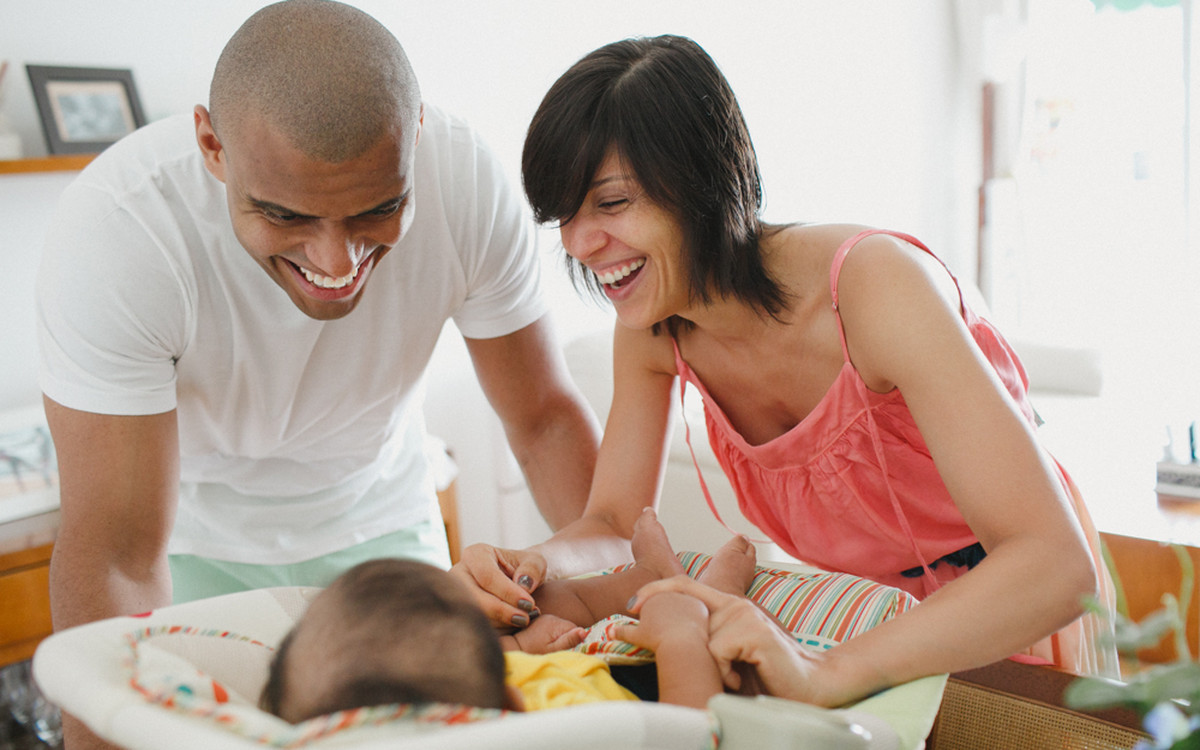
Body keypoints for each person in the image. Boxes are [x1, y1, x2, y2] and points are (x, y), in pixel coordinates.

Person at [451, 34, 1119, 708]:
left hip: (1001, 604)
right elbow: (615, 523)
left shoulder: (874, 289)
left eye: (612, 203)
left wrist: (827, 673)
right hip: (859, 623)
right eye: (565, 215)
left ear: (702, 182)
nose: (577, 242)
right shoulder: (654, 330)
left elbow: (1052, 563)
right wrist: (532, 567)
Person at [36, 2, 599, 747]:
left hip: (383, 519)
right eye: (286, 216)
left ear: (417, 137)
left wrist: (618, 597)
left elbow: (544, 420)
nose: (336, 265)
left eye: (378, 210)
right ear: (212, 146)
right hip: (191, 542)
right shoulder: (122, 232)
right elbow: (115, 552)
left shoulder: (465, 183)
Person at [261, 509, 760, 722]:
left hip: (539, 658)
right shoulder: (575, 734)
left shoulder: (434, 694)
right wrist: (680, 638)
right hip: (642, 687)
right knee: (732, 668)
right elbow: (692, 729)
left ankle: (652, 572)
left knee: (537, 605)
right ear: (513, 703)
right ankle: (711, 593)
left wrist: (521, 645)